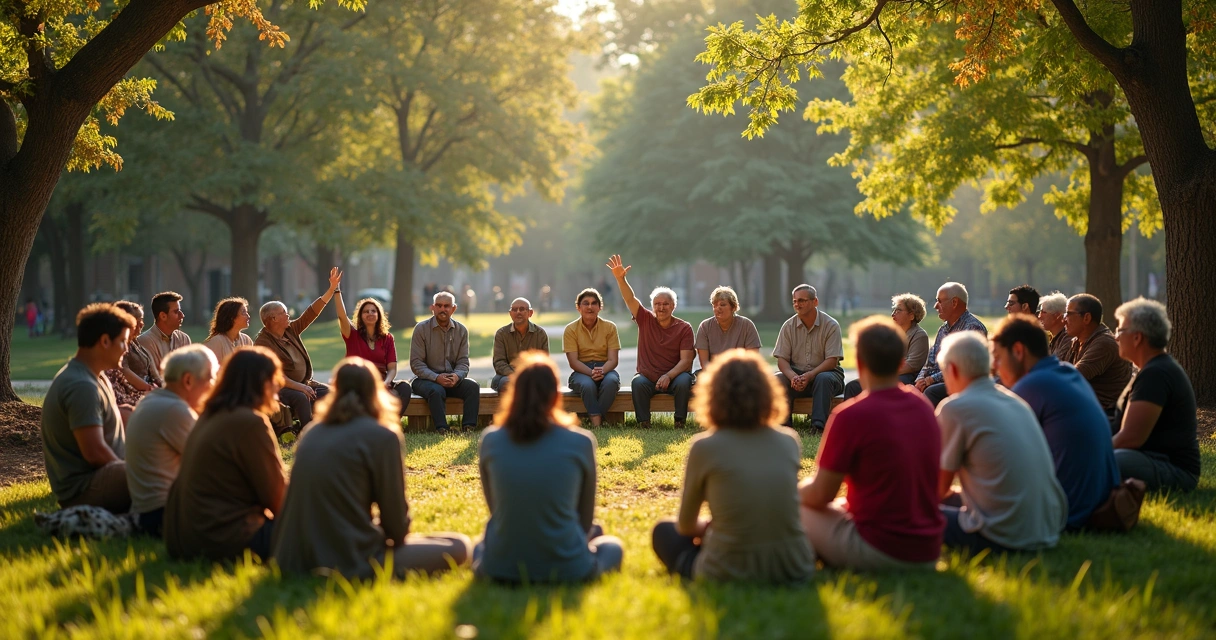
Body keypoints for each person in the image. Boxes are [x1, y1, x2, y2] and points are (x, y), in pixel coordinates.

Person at [272, 359, 472, 578]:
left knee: (445, 541)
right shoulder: (382, 436)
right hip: (346, 559)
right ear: (375, 392)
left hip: (295, 558)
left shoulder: (312, 433)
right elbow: (396, 528)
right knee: (458, 546)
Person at [651, 350, 815, 583]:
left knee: (664, 531)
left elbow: (686, 525)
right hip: (792, 566)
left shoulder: (705, 447)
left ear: (713, 395)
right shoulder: (788, 441)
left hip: (727, 568)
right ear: (767, 393)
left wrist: (711, 526)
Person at [799, 317, 943, 570]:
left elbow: (820, 494)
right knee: (840, 506)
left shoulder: (851, 416)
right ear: (901, 361)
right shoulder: (923, 407)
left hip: (880, 548)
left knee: (794, 510)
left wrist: (790, 491)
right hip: (928, 550)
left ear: (860, 362)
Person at [474, 351, 624, 582]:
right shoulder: (580, 441)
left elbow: (497, 511)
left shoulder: (490, 440)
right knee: (611, 546)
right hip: (567, 567)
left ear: (514, 394)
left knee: (478, 546)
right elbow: (584, 522)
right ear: (556, 396)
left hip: (501, 567)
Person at [935, 332, 1067, 554]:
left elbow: (937, 489)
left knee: (902, 512)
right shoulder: (1016, 402)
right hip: (1045, 529)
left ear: (953, 369)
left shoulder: (955, 408)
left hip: (1001, 535)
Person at [991, 314, 1121, 529]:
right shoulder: (1068, 372)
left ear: (1018, 351)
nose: (995, 367)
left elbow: (1003, 460)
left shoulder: (1031, 386)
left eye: (997, 357)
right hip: (1098, 503)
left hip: (1062, 512)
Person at [164, 346, 289, 561]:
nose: (277, 388)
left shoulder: (209, 415)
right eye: (275, 380)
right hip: (223, 538)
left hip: (182, 539)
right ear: (263, 383)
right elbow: (277, 500)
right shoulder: (250, 422)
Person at [41, 303, 137, 513]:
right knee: (159, 476)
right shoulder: (81, 386)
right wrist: (130, 473)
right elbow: (95, 452)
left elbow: (104, 416)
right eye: (122, 341)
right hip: (83, 490)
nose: (126, 349)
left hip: (104, 477)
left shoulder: (95, 375)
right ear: (104, 341)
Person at [124, 346, 218, 537]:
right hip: (164, 514)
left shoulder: (153, 401)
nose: (213, 385)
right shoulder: (174, 410)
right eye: (210, 378)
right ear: (188, 380)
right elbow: (211, 464)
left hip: (147, 511)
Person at [1111, 298, 1200, 492]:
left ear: (1137, 337)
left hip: (1175, 470)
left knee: (1110, 460)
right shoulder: (1151, 369)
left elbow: (1131, 438)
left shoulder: (1156, 374)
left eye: (1120, 330)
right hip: (1148, 458)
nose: (1116, 337)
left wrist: (1094, 452)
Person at [607, 254, 695, 428]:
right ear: (652, 306)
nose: (661, 307)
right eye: (657, 304)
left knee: (685, 381)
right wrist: (620, 279)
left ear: (673, 306)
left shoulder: (684, 328)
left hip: (675, 377)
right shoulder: (645, 319)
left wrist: (668, 376)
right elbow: (630, 299)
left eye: (665, 304)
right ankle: (644, 423)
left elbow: (686, 360)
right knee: (637, 383)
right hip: (648, 377)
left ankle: (679, 422)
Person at [254, 267, 342, 429]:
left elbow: (311, 313)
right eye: (284, 313)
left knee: (331, 393)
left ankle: (330, 428)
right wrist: (301, 387)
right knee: (301, 397)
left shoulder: (290, 330)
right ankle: (307, 432)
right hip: (280, 389)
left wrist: (331, 290)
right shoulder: (263, 343)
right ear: (273, 318)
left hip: (304, 383)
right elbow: (274, 376)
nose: (289, 315)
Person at [773, 284, 844, 430]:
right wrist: (793, 377)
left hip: (828, 376)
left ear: (815, 302)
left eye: (802, 300)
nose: (797, 304)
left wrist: (810, 375)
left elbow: (832, 361)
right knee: (778, 378)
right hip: (797, 376)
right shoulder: (788, 326)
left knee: (822, 378)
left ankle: (818, 426)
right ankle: (784, 426)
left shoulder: (831, 325)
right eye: (795, 301)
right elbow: (782, 360)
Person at [410, 291, 480, 433]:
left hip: (451, 379)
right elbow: (416, 363)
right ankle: (442, 429)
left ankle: (468, 427)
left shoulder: (461, 330)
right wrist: (436, 378)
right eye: (439, 305)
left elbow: (463, 361)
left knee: (472, 386)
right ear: (433, 308)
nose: (443, 309)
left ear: (453, 308)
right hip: (425, 380)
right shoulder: (421, 329)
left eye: (447, 306)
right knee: (437, 390)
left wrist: (457, 376)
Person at [334, 292, 412, 413]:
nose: (370, 313)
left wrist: (386, 382)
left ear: (379, 315)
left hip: (382, 383)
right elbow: (342, 316)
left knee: (405, 387)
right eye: (366, 311)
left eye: (373, 311)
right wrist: (336, 291)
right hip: (358, 382)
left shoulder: (388, 338)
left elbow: (392, 368)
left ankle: (390, 424)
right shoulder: (352, 335)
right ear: (361, 316)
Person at [843, 293, 929, 399]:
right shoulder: (892, 332)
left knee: (882, 387)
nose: (893, 314)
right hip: (885, 374)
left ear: (911, 315)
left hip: (906, 377)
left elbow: (912, 365)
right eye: (893, 310)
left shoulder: (919, 335)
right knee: (852, 386)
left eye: (898, 310)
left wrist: (882, 372)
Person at [915, 282, 988, 407]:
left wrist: (930, 380)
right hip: (941, 379)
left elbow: (964, 367)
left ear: (954, 303)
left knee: (931, 391)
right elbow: (930, 361)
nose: (935, 306)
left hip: (964, 383)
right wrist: (920, 380)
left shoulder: (972, 328)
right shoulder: (943, 329)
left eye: (939, 301)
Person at [1064, 293, 1133, 415]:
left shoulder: (1104, 343)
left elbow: (1072, 377)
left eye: (1069, 314)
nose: (1064, 319)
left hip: (1107, 415)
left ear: (1086, 318)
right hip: (1088, 409)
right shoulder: (1077, 341)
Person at [563, 288, 622, 427]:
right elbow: (573, 361)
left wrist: (601, 371)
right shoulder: (571, 329)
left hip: (605, 367)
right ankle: (597, 423)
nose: (590, 307)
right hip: (581, 370)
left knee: (612, 382)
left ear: (600, 307)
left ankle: (591, 418)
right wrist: (591, 373)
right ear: (578, 307)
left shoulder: (610, 327)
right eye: (585, 303)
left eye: (594, 303)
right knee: (587, 385)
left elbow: (613, 360)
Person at [103, 300, 161, 407]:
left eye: (142, 319)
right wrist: (149, 389)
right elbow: (124, 372)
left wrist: (161, 385)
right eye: (138, 320)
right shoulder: (118, 350)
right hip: (134, 395)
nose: (141, 324)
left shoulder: (135, 342)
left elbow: (152, 370)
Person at [693, 286, 761, 372]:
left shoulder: (747, 325)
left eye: (722, 304)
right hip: (713, 373)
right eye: (715, 305)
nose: (718, 308)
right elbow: (704, 363)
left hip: (741, 373)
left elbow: (753, 360)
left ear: (733, 307)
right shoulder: (705, 326)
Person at [491, 297, 550, 392]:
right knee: (508, 383)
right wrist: (517, 376)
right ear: (510, 313)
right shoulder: (501, 334)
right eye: (514, 309)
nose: (518, 312)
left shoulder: (540, 334)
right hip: (507, 376)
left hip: (532, 376)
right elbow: (499, 363)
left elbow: (544, 362)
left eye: (522, 309)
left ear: (530, 313)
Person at [135, 291, 191, 376]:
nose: (182, 315)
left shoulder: (184, 338)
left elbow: (190, 370)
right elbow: (154, 376)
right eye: (176, 312)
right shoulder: (144, 341)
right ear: (163, 316)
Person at [202, 297, 254, 365]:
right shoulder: (216, 342)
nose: (248, 316)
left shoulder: (247, 340)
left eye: (247, 312)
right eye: (243, 312)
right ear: (232, 318)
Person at [1037, 291, 1072, 361]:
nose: (1039, 316)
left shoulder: (1067, 339)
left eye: (1043, 312)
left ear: (1057, 316)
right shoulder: (1054, 338)